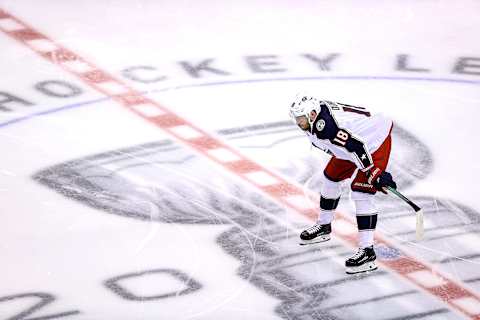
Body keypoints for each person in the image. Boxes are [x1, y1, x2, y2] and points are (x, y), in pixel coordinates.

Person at [289, 94, 397, 274]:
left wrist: (372, 171)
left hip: (373, 142)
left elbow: (356, 146)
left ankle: (367, 251)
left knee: (361, 192)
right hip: (353, 141)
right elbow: (348, 143)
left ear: (313, 114)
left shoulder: (328, 127)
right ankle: (324, 226)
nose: (298, 123)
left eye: (301, 118)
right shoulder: (317, 120)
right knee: (331, 177)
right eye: (296, 118)